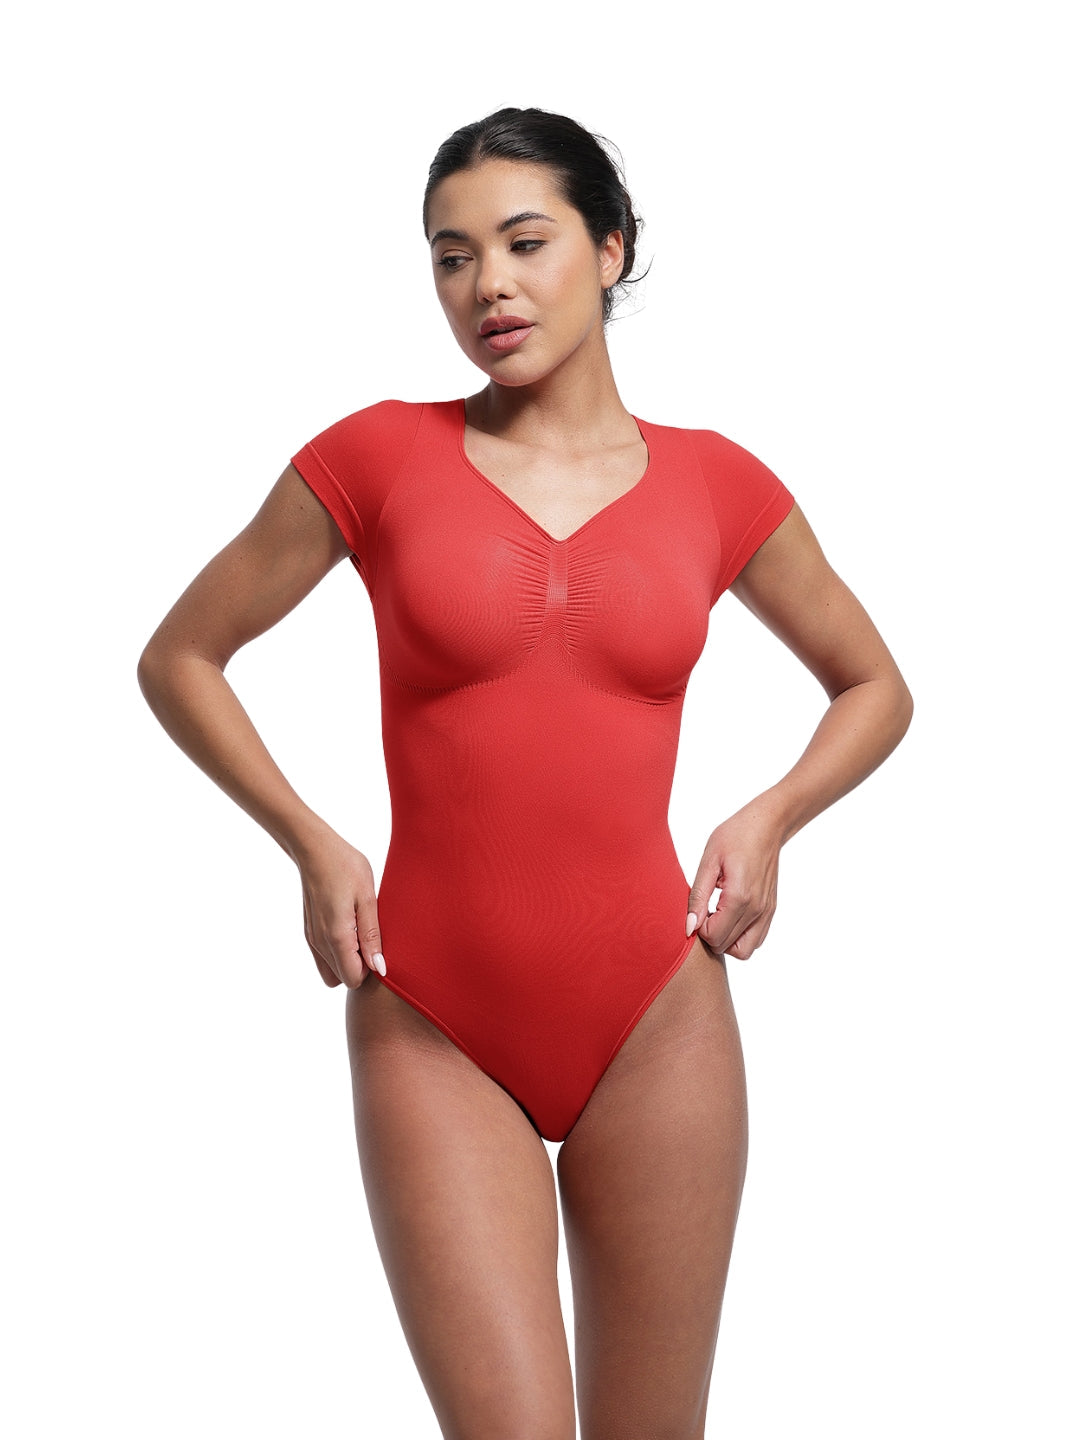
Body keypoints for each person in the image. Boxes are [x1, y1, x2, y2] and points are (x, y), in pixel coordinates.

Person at [138, 106, 913, 1440]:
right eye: (451, 258)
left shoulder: (719, 483)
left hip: (659, 1017)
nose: (486, 285)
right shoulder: (374, 458)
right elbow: (181, 657)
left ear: (610, 250)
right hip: (431, 1013)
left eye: (523, 242)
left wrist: (771, 815)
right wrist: (312, 840)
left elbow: (876, 685)